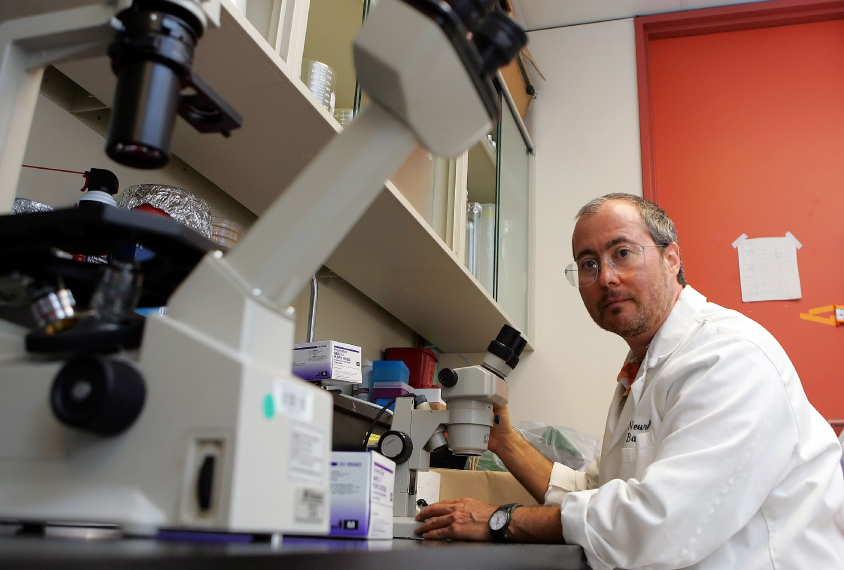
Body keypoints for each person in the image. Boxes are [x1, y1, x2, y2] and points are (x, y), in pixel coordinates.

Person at [415, 193, 844, 570]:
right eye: (588, 263)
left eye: (622, 253)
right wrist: (504, 441)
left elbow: (660, 522)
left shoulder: (728, 357)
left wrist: (499, 520)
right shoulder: (642, 369)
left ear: (672, 258)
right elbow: (595, 491)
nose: (606, 277)